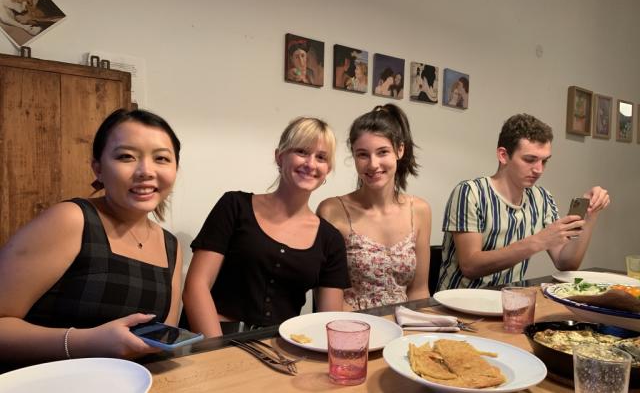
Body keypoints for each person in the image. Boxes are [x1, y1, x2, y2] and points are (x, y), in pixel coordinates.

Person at [0, 108, 183, 366]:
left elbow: (162, 338)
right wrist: (89, 342)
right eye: (126, 156)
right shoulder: (71, 220)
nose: (146, 171)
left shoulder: (171, 245)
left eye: (161, 159)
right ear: (98, 168)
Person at [182, 117, 350, 337]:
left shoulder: (330, 239)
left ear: (327, 169)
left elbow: (328, 322)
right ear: (279, 157)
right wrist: (217, 352)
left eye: (321, 157)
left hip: (278, 350)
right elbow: (196, 287)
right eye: (301, 151)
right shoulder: (234, 206)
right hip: (211, 341)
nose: (310, 164)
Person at [437, 113, 610, 290]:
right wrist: (537, 241)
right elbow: (470, 266)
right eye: (530, 160)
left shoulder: (542, 197)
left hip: (507, 302)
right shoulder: (470, 192)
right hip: (457, 305)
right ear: (503, 155)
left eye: (544, 161)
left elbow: (565, 263)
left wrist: (590, 215)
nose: (539, 170)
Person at [317, 104, 431, 310]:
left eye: (382, 152)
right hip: (352, 328)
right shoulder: (332, 211)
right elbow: (328, 299)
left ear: (400, 150)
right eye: (363, 155)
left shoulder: (420, 210)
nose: (373, 164)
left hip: (405, 326)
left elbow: (419, 291)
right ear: (353, 156)